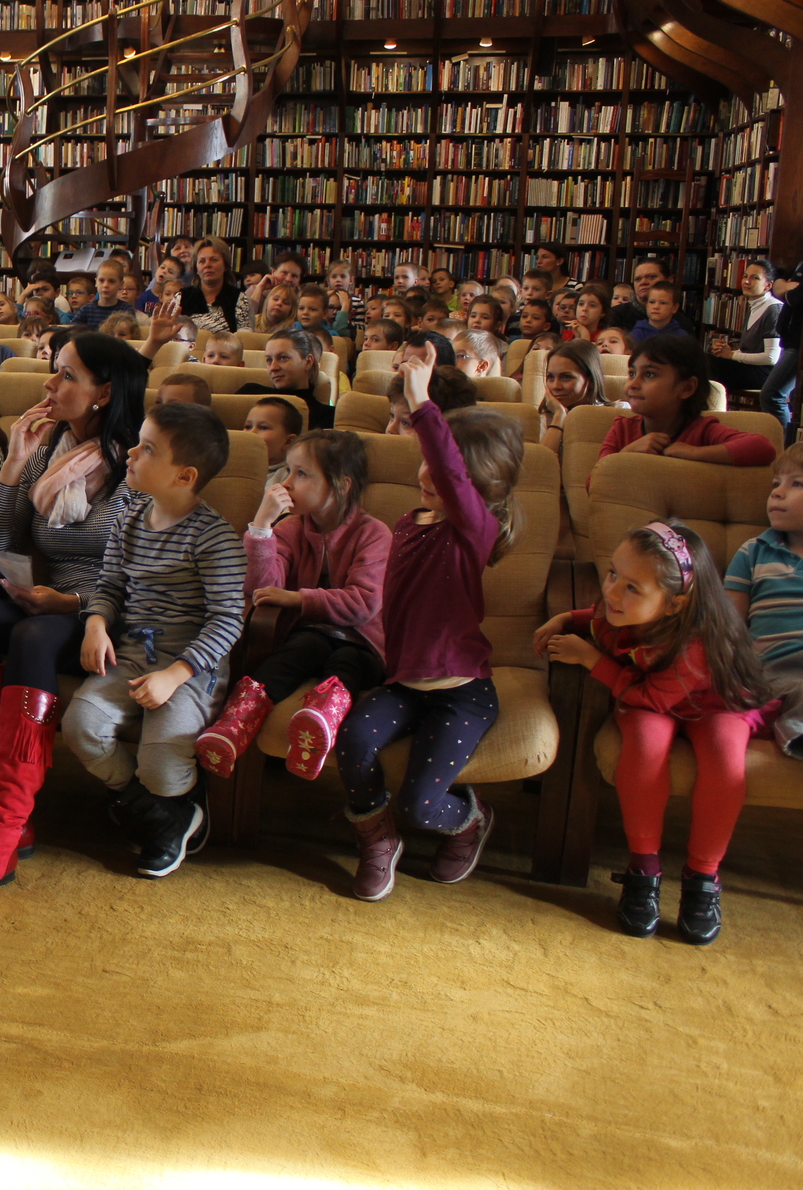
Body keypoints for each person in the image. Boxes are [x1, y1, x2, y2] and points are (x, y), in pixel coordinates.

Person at [0, 335, 149, 886]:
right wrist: (14, 465)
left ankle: (1, 829)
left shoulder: (139, 464)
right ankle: (0, 819)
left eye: (67, 375)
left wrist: (74, 603)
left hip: (109, 617)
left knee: (32, 637)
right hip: (47, 604)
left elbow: (146, 573)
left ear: (104, 392)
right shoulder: (50, 452)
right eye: (54, 370)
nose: (49, 385)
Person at [331, 354, 524, 902]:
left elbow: (452, 473)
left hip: (461, 694)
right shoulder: (407, 522)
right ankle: (378, 839)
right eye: (425, 463)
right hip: (405, 684)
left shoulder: (474, 530)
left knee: (421, 804)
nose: (427, 474)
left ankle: (470, 821)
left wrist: (421, 402)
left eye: (442, 469)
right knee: (354, 741)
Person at [29, 402, 244, 885]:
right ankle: (157, 809)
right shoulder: (129, 520)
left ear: (184, 476)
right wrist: (95, 624)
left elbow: (228, 621)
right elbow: (109, 586)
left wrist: (175, 675)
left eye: (147, 449)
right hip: (132, 653)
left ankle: (173, 799)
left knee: (162, 761)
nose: (130, 452)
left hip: (190, 667)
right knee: (81, 725)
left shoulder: (215, 538)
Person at [540, 522, 770, 945]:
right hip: (649, 698)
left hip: (713, 702)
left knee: (725, 767)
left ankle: (703, 876)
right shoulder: (620, 607)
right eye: (613, 573)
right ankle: (643, 869)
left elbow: (649, 695)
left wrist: (591, 660)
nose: (612, 592)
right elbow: (601, 619)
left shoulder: (700, 641)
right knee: (643, 749)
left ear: (675, 604)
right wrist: (568, 617)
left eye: (632, 587)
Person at [198, 428, 390, 782]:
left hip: (364, 642)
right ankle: (235, 724)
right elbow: (262, 587)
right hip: (309, 636)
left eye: (301, 474)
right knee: (295, 654)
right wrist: (262, 525)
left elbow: (363, 604)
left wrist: (298, 598)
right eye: (288, 471)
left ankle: (318, 722)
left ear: (342, 485)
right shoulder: (291, 529)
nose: (286, 483)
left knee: (347, 661)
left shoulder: (374, 533)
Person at [600, 336, 776, 470]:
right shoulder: (621, 429)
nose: (632, 384)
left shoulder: (703, 431)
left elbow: (763, 448)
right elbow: (593, 483)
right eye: (632, 374)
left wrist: (693, 452)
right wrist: (628, 453)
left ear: (686, 388)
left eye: (649, 374)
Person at [728, 445, 803, 760]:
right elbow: (729, 623)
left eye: (796, 483)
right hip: (773, 671)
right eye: (776, 483)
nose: (777, 492)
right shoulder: (753, 551)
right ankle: (796, 736)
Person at [708, 258, 782, 406]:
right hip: (750, 369)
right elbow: (750, 350)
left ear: (768, 285)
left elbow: (771, 358)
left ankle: (711, 412)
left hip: (765, 374)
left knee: (708, 366)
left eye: (755, 278)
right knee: (704, 360)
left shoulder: (773, 309)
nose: (747, 281)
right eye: (745, 276)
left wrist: (732, 355)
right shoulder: (754, 306)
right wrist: (727, 352)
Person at [238, 330, 334, 428]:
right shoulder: (249, 392)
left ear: (308, 362)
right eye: (269, 360)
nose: (273, 368)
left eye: (283, 358)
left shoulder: (327, 416)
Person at [536, 338, 611, 451]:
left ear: (590, 381)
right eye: (551, 377)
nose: (555, 386)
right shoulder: (543, 420)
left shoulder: (617, 412)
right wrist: (559, 415)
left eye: (566, 377)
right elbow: (541, 459)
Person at [181, 239, 244, 334]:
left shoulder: (239, 298)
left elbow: (245, 337)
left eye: (214, 260)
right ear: (196, 269)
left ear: (226, 265)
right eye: (202, 261)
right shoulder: (182, 296)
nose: (207, 265)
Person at [243, 397, 302, 489]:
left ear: (288, 442)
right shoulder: (232, 465)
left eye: (263, 427)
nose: (251, 433)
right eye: (248, 427)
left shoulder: (287, 478)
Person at [70, 260, 134, 329]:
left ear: (121, 284)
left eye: (111, 281)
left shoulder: (126, 310)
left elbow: (131, 332)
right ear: (96, 282)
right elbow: (72, 331)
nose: (105, 285)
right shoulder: (86, 310)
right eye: (101, 280)